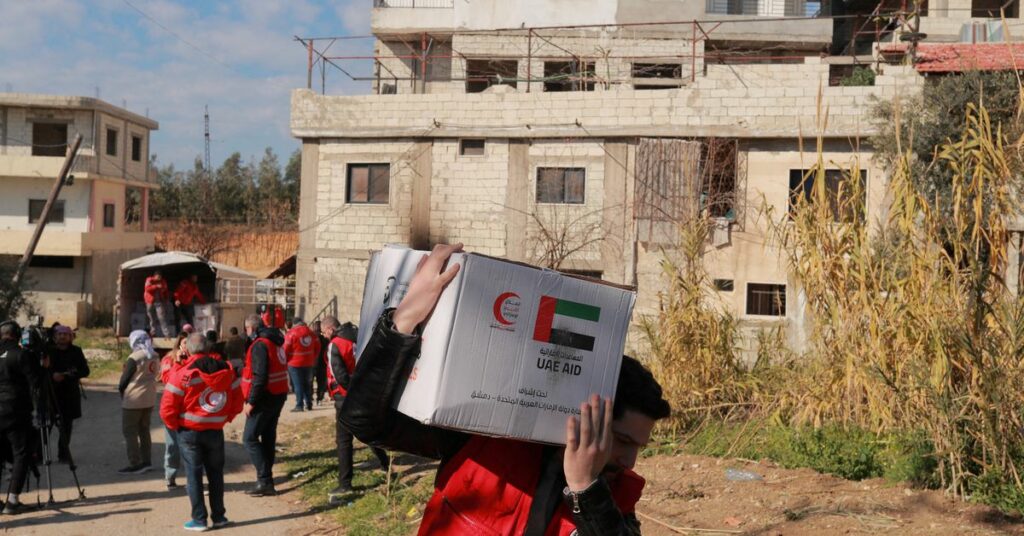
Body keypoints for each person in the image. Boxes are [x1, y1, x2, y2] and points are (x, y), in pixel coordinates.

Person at [340, 244, 672, 535]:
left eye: (638, 446)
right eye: (622, 440)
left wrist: (585, 489)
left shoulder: (612, 494)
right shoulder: (490, 435)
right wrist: (404, 321)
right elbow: (366, 420)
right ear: (584, 412)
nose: (630, 461)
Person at [160, 333, 242, 532]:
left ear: (186, 349)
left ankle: (199, 520)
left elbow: (167, 407)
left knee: (193, 476)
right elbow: (237, 400)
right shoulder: (227, 369)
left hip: (189, 432)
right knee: (216, 475)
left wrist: (175, 426)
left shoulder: (182, 373)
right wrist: (224, 418)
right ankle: (220, 516)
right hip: (215, 430)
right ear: (208, 348)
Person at [321, 316, 389, 501]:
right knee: (366, 430)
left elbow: (338, 374)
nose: (324, 336)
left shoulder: (335, 344)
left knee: (343, 440)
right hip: (362, 391)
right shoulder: (357, 338)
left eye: (323, 332)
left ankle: (345, 484)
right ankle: (385, 463)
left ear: (329, 329)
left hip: (345, 396)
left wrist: (349, 391)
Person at [241, 314, 287, 496]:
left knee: (249, 438)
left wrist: (251, 402)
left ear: (251, 328)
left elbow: (260, 377)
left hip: (265, 397)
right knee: (268, 437)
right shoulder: (275, 341)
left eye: (247, 329)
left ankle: (265, 480)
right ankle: (267, 479)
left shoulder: (260, 345)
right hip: (278, 394)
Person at [0, 321, 41, 515]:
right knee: (21, 454)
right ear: (18, 336)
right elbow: (36, 383)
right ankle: (13, 500)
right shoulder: (21, 355)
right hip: (16, 411)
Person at [118, 330, 160, 474]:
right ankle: (146, 461)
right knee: (144, 430)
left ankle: (135, 463)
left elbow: (124, 380)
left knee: (130, 432)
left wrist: (121, 392)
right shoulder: (154, 354)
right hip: (149, 397)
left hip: (133, 398)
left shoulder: (134, 357)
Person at [47, 325, 89, 464]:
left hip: (69, 394)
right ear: (54, 337)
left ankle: (63, 454)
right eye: (59, 334)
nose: (62, 337)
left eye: (65, 334)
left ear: (70, 336)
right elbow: (39, 371)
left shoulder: (76, 351)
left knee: (66, 427)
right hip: (51, 394)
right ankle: (39, 454)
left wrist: (66, 375)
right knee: (47, 425)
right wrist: (52, 376)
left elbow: (85, 371)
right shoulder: (49, 351)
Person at [160, 332, 190, 489]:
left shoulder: (194, 359)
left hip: (189, 409)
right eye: (185, 343)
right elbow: (167, 380)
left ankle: (192, 478)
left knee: (189, 446)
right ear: (179, 344)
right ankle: (170, 477)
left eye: (189, 343)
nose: (187, 346)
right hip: (173, 408)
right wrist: (178, 362)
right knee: (172, 446)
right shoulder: (168, 359)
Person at [283, 318, 319, 412]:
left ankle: (299, 405)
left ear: (294, 324)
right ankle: (309, 404)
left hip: (294, 363)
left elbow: (285, 348)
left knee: (298, 384)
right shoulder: (311, 333)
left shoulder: (291, 333)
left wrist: (285, 360)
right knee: (308, 383)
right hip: (309, 362)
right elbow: (318, 347)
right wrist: (313, 357)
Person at [144, 270, 170, 336]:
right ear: (154, 276)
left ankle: (166, 333)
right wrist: (156, 286)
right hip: (150, 302)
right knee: (151, 318)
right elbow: (147, 289)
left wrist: (166, 298)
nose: (159, 278)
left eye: (160, 277)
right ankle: (153, 332)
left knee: (161, 317)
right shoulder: (149, 280)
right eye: (158, 277)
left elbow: (166, 290)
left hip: (159, 302)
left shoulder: (163, 282)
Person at [310, 320, 329, 406]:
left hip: (312, 363)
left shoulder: (311, 338)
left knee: (310, 382)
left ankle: (310, 397)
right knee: (321, 382)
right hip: (322, 363)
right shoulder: (325, 339)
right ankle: (319, 399)